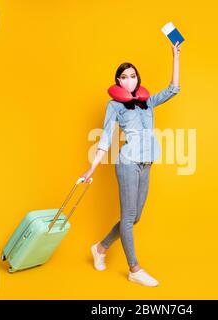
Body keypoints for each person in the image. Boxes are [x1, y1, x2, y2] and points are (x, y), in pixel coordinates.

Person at [81, 41, 181, 286]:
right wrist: (91, 168)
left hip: (146, 164)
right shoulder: (114, 105)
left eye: (132, 75)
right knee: (127, 218)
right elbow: (105, 137)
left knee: (135, 217)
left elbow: (174, 89)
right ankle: (134, 269)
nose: (129, 80)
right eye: (123, 77)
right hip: (127, 163)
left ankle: (101, 248)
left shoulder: (148, 101)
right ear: (118, 81)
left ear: (138, 78)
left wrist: (175, 55)